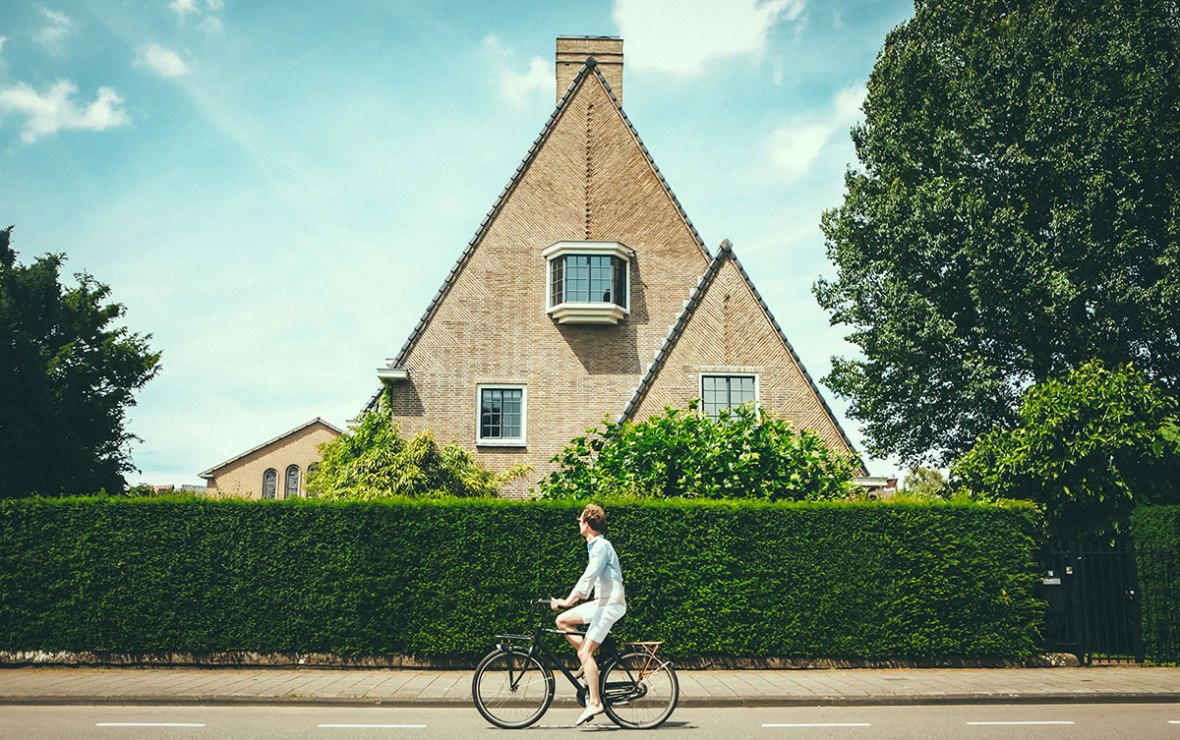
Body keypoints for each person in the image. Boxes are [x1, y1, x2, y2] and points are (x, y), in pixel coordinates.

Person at [550, 503, 626, 726]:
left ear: (588, 524)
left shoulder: (601, 546)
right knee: (562, 621)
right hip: (600, 603)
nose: (578, 522)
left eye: (581, 519)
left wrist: (567, 600)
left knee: (584, 652)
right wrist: (565, 606)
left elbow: (588, 577)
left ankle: (595, 702)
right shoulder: (594, 546)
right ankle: (589, 662)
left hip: (611, 605)